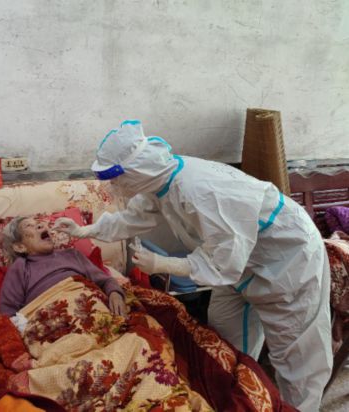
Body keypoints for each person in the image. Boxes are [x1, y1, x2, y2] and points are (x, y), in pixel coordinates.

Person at [54, 119, 332, 412]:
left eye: (116, 178)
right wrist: (84, 230)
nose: (113, 186)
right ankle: (244, 399)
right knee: (223, 340)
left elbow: (224, 261)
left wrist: (164, 264)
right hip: (238, 263)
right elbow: (134, 218)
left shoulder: (200, 190)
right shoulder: (159, 183)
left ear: (135, 171)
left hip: (286, 258)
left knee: (298, 355)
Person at [0, 216, 127, 318]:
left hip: (92, 308)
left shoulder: (72, 254)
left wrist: (115, 293)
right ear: (20, 247)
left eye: (38, 223)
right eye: (28, 226)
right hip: (53, 321)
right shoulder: (21, 266)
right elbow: (8, 312)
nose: (40, 225)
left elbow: (105, 281)